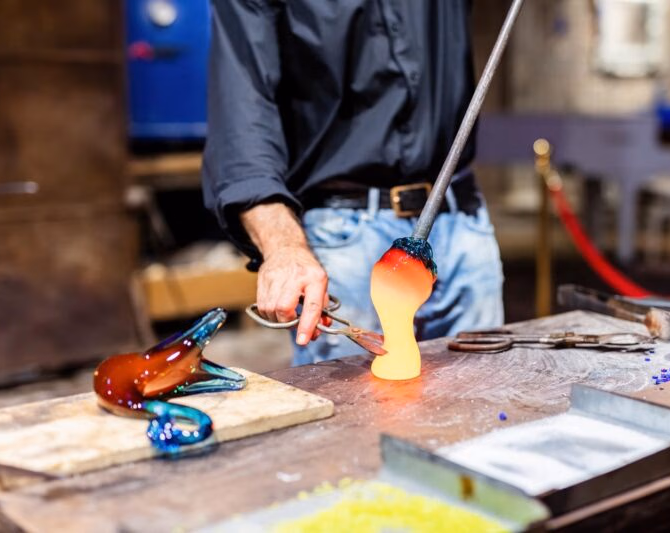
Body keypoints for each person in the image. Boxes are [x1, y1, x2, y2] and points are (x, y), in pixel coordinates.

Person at [203, 0, 504, 366]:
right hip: (344, 241)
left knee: (487, 404)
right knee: (359, 414)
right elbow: (242, 118)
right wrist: (283, 247)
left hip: (459, 219)